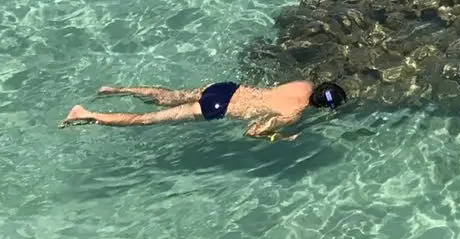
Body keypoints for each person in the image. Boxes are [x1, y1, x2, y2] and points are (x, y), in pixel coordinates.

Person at [60, 80, 346, 141]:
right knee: (144, 120)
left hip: (226, 89)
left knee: (168, 96)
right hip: (218, 107)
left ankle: (118, 89)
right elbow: (252, 131)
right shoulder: (293, 114)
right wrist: (281, 138)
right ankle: (86, 114)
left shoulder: (303, 84)